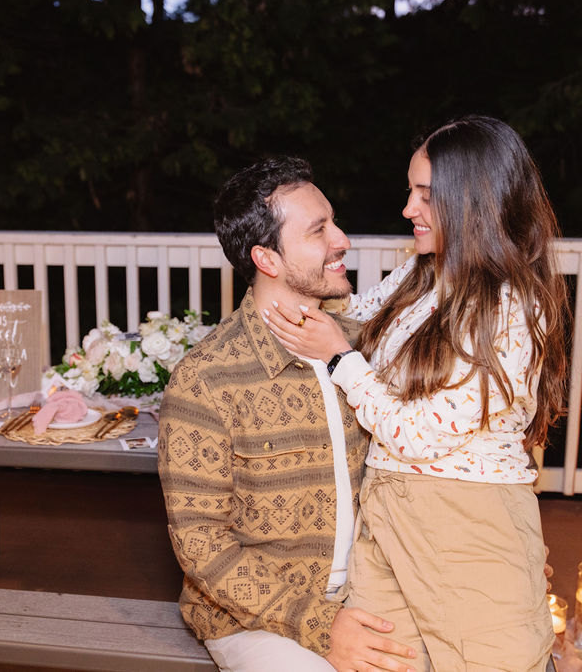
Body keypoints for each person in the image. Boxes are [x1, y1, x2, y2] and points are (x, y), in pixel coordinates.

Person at [265, 115, 569, 671]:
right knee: (384, 661)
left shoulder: (512, 306)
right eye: (411, 191)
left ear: (474, 200)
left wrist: (340, 359)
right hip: (388, 509)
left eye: (426, 195)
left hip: (466, 517)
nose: (408, 208)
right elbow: (356, 312)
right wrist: (291, 285)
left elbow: (421, 433)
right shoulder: (425, 273)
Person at [157, 156, 418, 672]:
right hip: (254, 617)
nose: (342, 239)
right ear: (268, 260)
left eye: (334, 221)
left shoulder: (368, 348)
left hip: (373, 588)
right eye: (319, 230)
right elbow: (201, 544)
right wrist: (323, 626)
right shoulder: (206, 379)